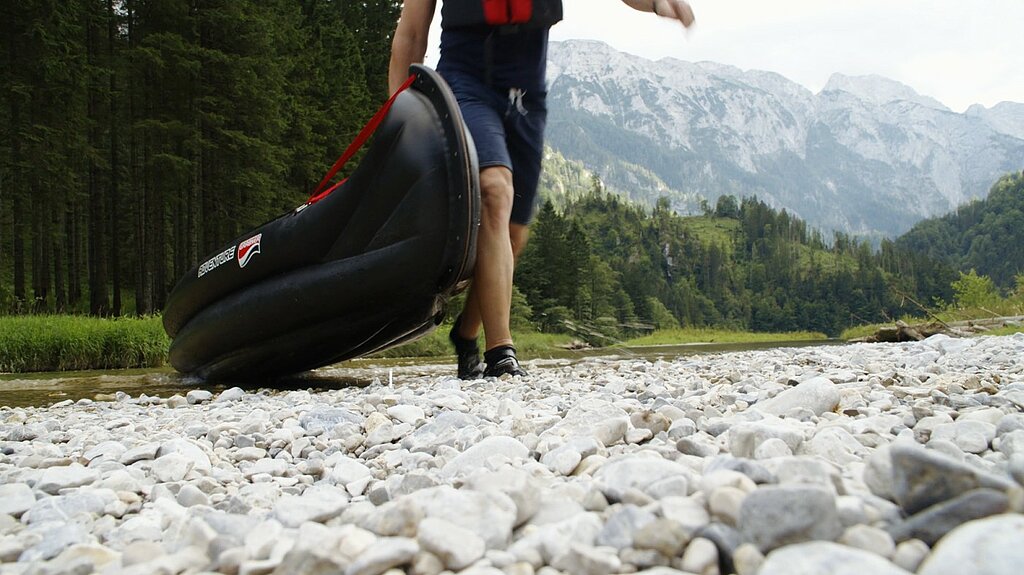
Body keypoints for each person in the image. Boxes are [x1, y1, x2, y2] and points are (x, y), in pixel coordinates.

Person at [389, 0, 696, 379]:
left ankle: (466, 332)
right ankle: (501, 352)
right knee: (494, 189)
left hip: (527, 98)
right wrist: (398, 115)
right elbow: (412, 33)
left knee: (515, 234)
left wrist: (656, 3)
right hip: (465, 85)